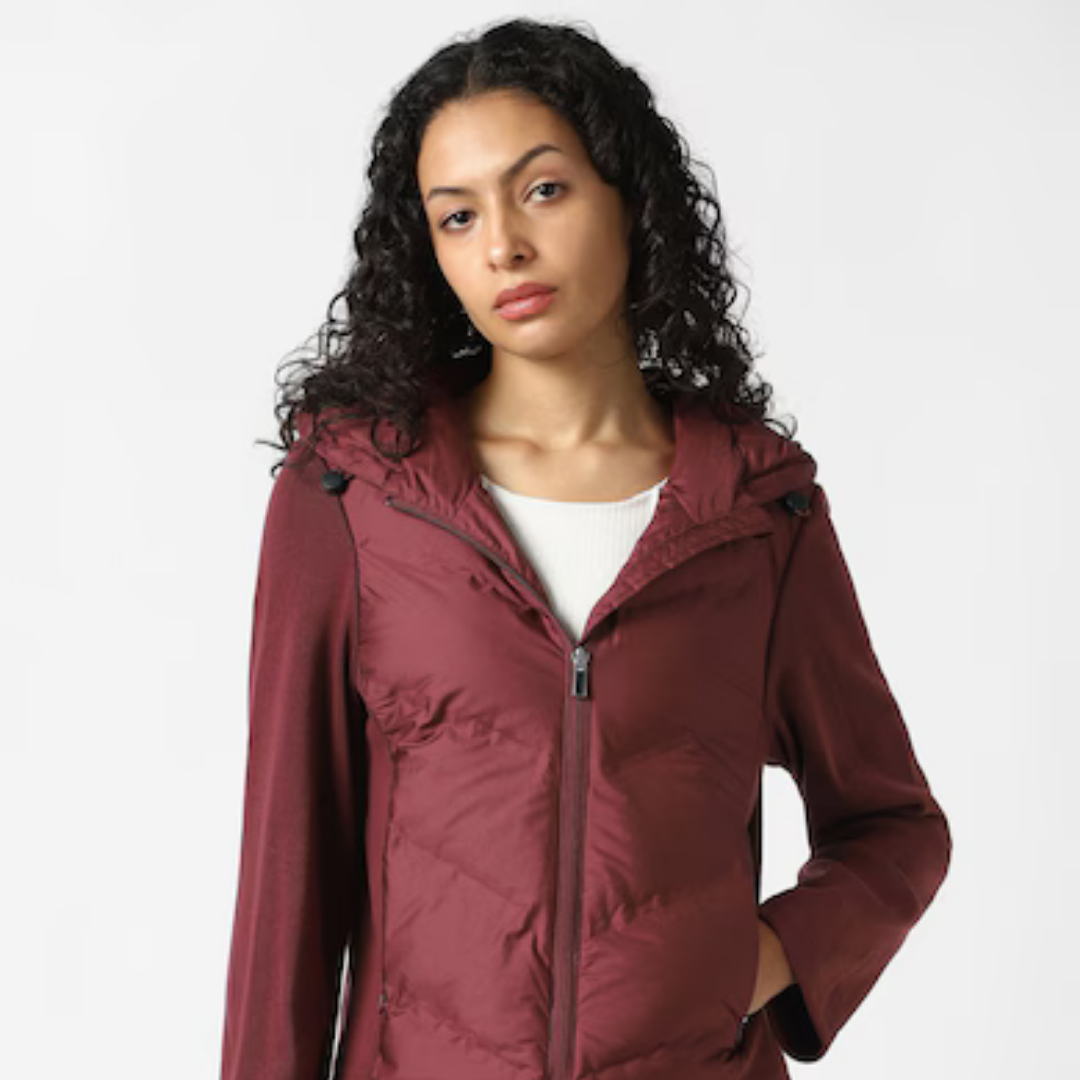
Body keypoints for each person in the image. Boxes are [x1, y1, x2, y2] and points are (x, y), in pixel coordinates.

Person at [219, 17, 951, 1080]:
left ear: (628, 198)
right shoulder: (351, 495)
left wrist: (760, 959)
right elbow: (287, 879)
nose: (503, 245)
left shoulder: (757, 514)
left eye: (544, 190)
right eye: (458, 215)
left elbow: (893, 824)